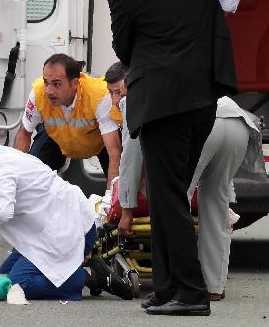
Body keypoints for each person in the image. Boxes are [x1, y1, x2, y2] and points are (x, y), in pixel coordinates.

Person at [107, 0, 258, 316]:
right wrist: (224, 6)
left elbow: (124, 50)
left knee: (167, 196)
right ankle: (168, 287)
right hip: (203, 100)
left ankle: (189, 293)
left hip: (160, 104)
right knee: (167, 194)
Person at [106, 62, 265, 303]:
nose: (116, 99)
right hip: (236, 119)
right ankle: (213, 286)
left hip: (202, 124)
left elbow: (130, 159)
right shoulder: (172, 79)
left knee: (172, 204)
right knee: (216, 202)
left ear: (131, 82)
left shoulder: (136, 98)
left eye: (119, 91)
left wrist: (126, 210)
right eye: (112, 93)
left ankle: (176, 287)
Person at [0, 123, 132, 301]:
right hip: (67, 225)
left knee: (16, 286)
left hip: (67, 233)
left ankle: (88, 275)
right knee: (1, 279)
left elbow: (2, 212)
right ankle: (74, 270)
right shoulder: (4, 155)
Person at [14, 54, 121, 188]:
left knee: (119, 182)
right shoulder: (38, 92)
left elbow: (114, 151)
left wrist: (110, 197)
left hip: (99, 141)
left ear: (75, 83)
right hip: (55, 137)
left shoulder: (99, 95)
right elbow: (24, 133)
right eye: (46, 82)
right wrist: (15, 176)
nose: (49, 91)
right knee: (33, 176)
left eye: (56, 84)